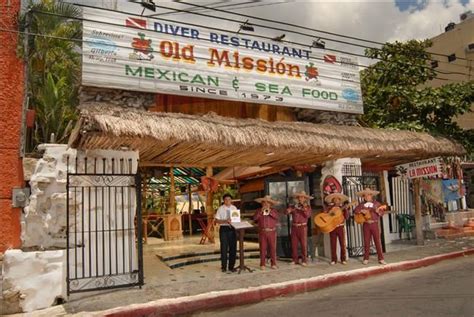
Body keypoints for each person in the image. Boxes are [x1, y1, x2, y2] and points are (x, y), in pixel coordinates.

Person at [353, 188, 386, 265]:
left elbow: (382, 212)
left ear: (371, 196)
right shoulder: (361, 205)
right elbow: (355, 211)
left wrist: (378, 212)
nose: (366, 197)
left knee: (377, 241)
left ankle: (381, 258)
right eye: (365, 195)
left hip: (374, 224)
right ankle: (366, 258)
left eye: (368, 195)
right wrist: (361, 211)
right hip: (366, 224)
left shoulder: (377, 204)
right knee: (366, 242)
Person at [254, 195, 280, 270]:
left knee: (273, 248)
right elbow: (255, 218)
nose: (266, 204)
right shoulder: (259, 210)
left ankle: (273, 263)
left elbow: (276, 217)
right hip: (262, 232)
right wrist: (261, 211)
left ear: (270, 204)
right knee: (262, 248)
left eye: (268, 203)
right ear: (262, 203)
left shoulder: (274, 211)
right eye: (264, 202)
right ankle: (262, 264)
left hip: (272, 232)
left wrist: (270, 211)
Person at [287, 191, 312, 266]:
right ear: (297, 199)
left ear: (305, 199)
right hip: (294, 227)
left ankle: (304, 260)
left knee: (303, 244)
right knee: (294, 244)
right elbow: (286, 212)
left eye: (302, 197)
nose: (300, 199)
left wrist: (303, 208)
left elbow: (308, 215)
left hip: (303, 227)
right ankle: (295, 260)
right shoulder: (293, 206)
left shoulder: (307, 207)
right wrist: (289, 210)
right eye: (299, 197)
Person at [324, 193, 350, 265]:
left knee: (342, 243)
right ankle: (333, 259)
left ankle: (343, 259)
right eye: (334, 199)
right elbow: (326, 215)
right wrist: (330, 213)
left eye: (338, 199)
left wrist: (346, 210)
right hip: (332, 227)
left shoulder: (343, 208)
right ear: (333, 200)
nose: (336, 200)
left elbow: (347, 217)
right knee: (333, 243)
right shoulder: (329, 208)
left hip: (340, 226)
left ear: (340, 200)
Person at [215, 193, 237, 272]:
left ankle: (231, 266)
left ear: (231, 200)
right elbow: (216, 220)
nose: (228, 201)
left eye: (229, 199)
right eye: (226, 199)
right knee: (224, 248)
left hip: (232, 228)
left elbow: (236, 218)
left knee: (233, 248)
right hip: (224, 229)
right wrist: (225, 220)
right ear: (224, 200)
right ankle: (223, 267)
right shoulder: (220, 209)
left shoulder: (234, 208)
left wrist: (236, 221)